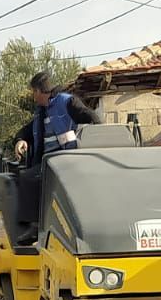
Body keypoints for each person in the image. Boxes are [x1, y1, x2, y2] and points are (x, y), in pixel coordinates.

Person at [9, 73, 100, 245]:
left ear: (39, 91)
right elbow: (27, 131)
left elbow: (92, 117)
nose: (33, 97)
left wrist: (95, 141)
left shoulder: (67, 102)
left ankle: (35, 227)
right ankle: (37, 225)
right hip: (48, 162)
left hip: (67, 160)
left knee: (28, 178)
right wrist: (20, 140)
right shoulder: (41, 113)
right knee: (29, 176)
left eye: (33, 92)